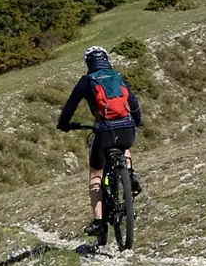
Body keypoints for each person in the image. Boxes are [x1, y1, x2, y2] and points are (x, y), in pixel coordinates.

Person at [57, 45, 144, 238]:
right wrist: (137, 121)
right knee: (125, 148)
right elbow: (134, 102)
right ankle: (130, 176)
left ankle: (99, 223)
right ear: (107, 59)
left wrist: (64, 124)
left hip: (103, 130)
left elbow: (71, 105)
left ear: (89, 63)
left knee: (96, 174)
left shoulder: (87, 81)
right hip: (126, 129)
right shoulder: (118, 76)